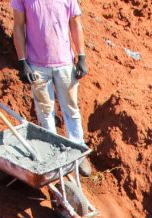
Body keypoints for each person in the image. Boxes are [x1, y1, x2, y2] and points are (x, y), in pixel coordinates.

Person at [11, 0, 92, 177]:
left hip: (64, 64)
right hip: (38, 66)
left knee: (71, 109)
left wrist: (82, 56)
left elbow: (75, 24)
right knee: (45, 112)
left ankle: (78, 152)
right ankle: (52, 155)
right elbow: (18, 27)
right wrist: (22, 61)